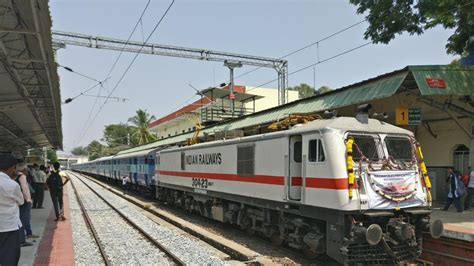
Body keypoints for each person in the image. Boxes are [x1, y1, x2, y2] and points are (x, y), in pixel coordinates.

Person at [0, 153, 24, 265]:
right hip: (8, 227)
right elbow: (21, 201)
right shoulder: (12, 184)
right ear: (11, 168)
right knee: (9, 258)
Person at [15, 163, 39, 247]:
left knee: (25, 218)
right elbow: (25, 189)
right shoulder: (22, 176)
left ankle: (29, 233)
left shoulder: (15, 176)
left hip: (19, 200)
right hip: (25, 201)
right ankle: (21, 240)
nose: (27, 170)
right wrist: (28, 199)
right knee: (23, 219)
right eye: (26, 169)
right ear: (23, 169)